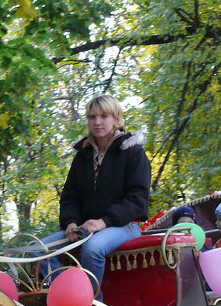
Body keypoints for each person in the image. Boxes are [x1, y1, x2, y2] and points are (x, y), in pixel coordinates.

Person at [38, 94, 152, 293]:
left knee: (93, 249)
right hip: (85, 226)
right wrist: (71, 223)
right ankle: (68, 295)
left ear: (116, 119)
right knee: (40, 250)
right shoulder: (83, 155)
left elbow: (137, 201)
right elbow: (70, 196)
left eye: (104, 116)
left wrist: (104, 222)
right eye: (92, 117)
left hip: (124, 225)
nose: (97, 122)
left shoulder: (132, 152)